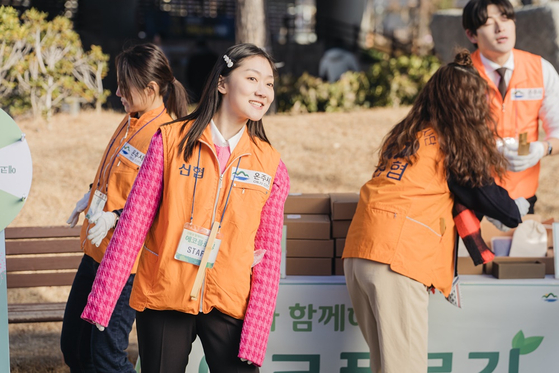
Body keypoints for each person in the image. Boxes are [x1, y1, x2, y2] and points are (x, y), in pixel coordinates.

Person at [80, 43, 290, 373]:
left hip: (227, 297)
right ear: (222, 83)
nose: (263, 91)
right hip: (165, 292)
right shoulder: (169, 142)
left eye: (269, 83)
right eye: (252, 79)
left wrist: (256, 335)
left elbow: (269, 256)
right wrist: (103, 302)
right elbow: (134, 223)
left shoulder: (271, 165)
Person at [342, 51, 528, 373]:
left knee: (386, 365)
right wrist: (520, 207)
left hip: (360, 253)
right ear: (468, 105)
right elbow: (497, 203)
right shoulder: (451, 144)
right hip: (397, 260)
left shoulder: (408, 137)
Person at [61, 43, 189, 372]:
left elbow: (160, 204)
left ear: (150, 89)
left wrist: (115, 218)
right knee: (75, 346)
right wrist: (89, 197)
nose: (117, 91)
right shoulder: (130, 121)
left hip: (126, 264)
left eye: (124, 85)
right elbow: (115, 177)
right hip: (95, 250)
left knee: (107, 355)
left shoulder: (165, 135)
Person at [463, 0, 559, 214]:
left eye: (505, 18)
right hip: (472, 196)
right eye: (488, 23)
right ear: (471, 35)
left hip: (522, 197)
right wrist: (489, 151)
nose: (500, 28)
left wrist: (543, 148)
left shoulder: (541, 70)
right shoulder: (459, 76)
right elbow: (444, 138)